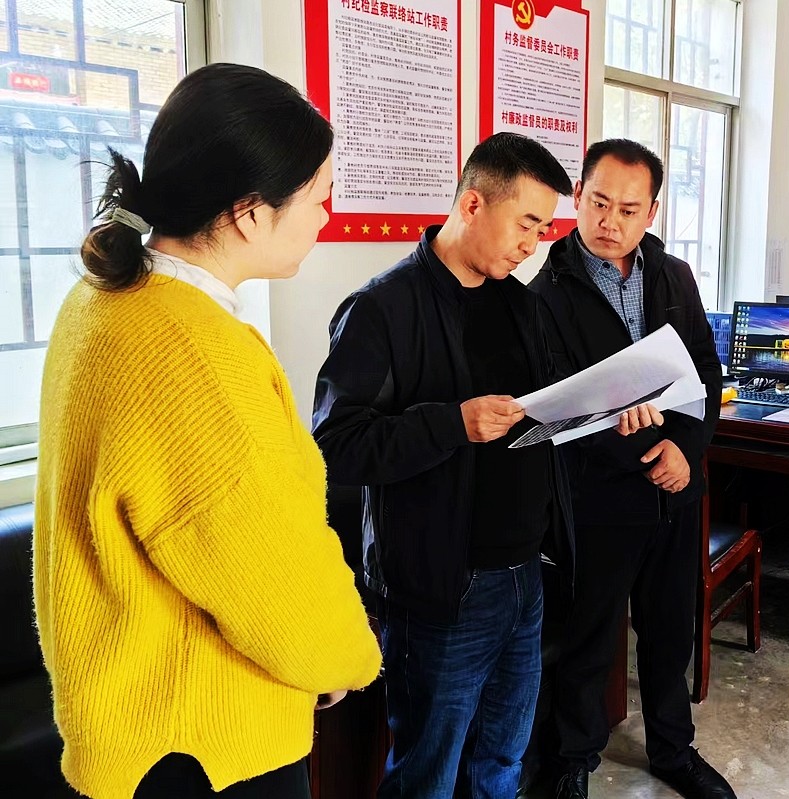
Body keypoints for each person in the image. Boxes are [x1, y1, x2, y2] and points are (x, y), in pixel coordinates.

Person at [33, 63, 382, 799]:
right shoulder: (191, 350)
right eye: (319, 197)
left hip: (135, 720)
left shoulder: (105, 298)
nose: (326, 216)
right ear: (250, 212)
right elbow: (267, 570)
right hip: (204, 739)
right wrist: (345, 657)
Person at [312, 133, 658, 799]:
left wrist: (605, 409)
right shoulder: (383, 309)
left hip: (525, 572)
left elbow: (542, 411)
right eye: (525, 223)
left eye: (543, 228)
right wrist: (453, 423)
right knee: (428, 771)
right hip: (442, 585)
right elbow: (337, 444)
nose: (533, 245)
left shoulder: (518, 301)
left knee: (502, 758)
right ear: (473, 204)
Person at [528, 139, 731, 799]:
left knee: (670, 632)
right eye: (598, 202)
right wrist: (640, 450)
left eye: (627, 209)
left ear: (652, 211)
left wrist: (685, 450)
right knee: (589, 638)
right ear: (577, 196)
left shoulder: (673, 276)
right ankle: (574, 759)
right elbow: (556, 407)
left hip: (675, 488)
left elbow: (705, 371)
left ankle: (673, 750)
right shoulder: (545, 292)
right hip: (599, 498)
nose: (609, 221)